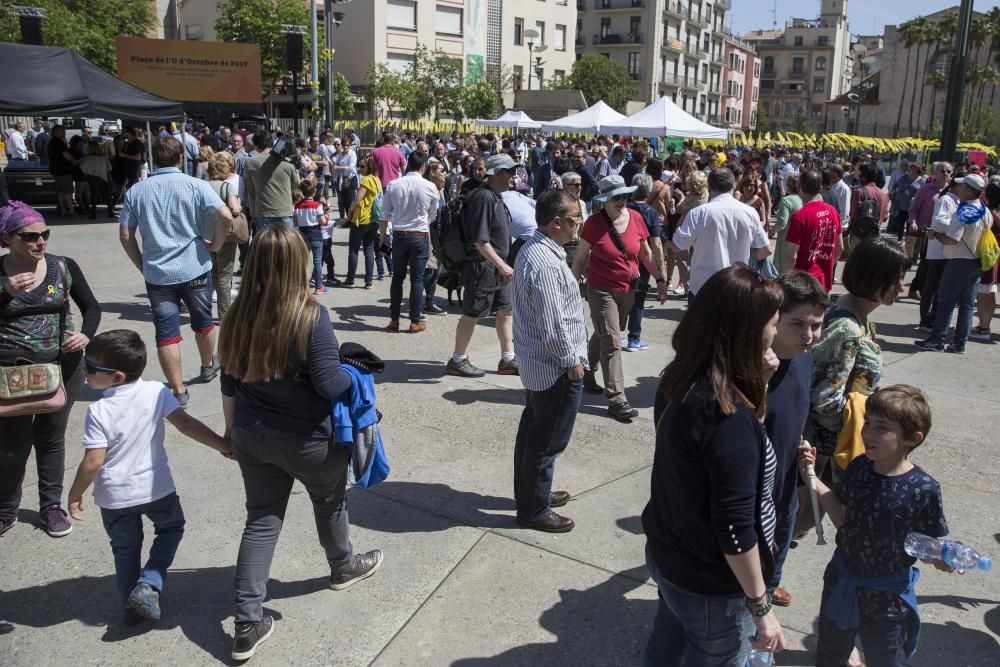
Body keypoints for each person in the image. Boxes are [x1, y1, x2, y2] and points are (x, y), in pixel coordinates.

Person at [220, 224, 382, 661]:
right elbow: (330, 385)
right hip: (307, 439)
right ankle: (343, 566)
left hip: (252, 434)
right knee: (329, 502)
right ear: (299, 265)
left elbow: (229, 382)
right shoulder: (311, 315)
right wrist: (354, 369)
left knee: (261, 520)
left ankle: (247, 622)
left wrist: (229, 434)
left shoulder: (236, 314)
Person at [642, 265, 787, 665]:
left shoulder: (680, 378)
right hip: (710, 581)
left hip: (672, 553)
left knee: (666, 645)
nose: (775, 332)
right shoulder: (728, 419)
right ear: (747, 330)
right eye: (772, 323)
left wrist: (757, 385)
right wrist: (762, 607)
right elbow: (735, 525)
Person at [66, 329, 231, 624]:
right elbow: (186, 424)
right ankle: (149, 583)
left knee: (125, 549)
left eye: (89, 368)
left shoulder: (99, 411)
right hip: (157, 490)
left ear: (116, 377)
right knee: (171, 529)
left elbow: (92, 462)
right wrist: (222, 445)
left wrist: (75, 493)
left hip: (115, 498)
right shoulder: (156, 391)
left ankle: (133, 605)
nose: (84, 372)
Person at [798, 385, 951, 667]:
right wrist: (811, 477)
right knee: (830, 652)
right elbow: (842, 515)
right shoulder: (859, 467)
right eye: (867, 423)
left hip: (886, 597)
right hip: (841, 581)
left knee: (884, 657)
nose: (867, 433)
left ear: (911, 439)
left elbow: (927, 544)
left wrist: (943, 557)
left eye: (881, 428)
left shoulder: (923, 489)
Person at [0, 201, 101, 538]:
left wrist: (86, 335)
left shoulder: (62, 266)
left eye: (44, 234)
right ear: (6, 239)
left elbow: (91, 307)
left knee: (51, 438)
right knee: (13, 445)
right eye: (29, 236)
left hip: (63, 368)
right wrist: (5, 293)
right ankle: (6, 510)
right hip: (10, 373)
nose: (40, 242)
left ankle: (51, 507)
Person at [118, 137, 234, 406]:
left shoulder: (137, 191)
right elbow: (226, 215)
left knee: (166, 331)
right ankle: (208, 365)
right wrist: (215, 245)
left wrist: (141, 263)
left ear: (153, 158)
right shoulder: (195, 185)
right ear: (181, 157)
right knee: (203, 321)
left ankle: (178, 389)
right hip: (194, 266)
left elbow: (126, 234)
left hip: (158, 272)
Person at [511, 190, 587, 534]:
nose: (577, 227)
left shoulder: (538, 250)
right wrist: (571, 361)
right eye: (574, 220)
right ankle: (533, 509)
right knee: (546, 441)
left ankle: (533, 495)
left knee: (534, 434)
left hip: (541, 364)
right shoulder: (543, 262)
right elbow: (553, 324)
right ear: (556, 222)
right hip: (554, 367)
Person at [807, 237, 909, 480]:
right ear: (873, 276)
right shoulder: (846, 329)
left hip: (835, 448)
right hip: (830, 453)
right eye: (895, 279)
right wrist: (868, 430)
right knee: (812, 514)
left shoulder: (855, 315)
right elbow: (825, 401)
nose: (902, 287)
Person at [572, 175, 669, 422]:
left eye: (625, 195)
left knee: (605, 333)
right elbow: (581, 258)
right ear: (604, 200)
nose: (622, 200)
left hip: (629, 290)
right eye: (616, 197)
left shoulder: (636, 218)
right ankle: (617, 400)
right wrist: (571, 285)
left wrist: (659, 279)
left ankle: (586, 370)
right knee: (613, 341)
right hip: (600, 289)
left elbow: (646, 254)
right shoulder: (594, 223)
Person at [765, 271, 829, 608]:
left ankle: (771, 582)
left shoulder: (804, 358)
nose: (809, 335)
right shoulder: (758, 367)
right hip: (757, 489)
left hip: (788, 479)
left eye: (817, 325)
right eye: (798, 324)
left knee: (785, 533)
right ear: (774, 318)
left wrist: (800, 440)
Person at [446, 154, 518, 379]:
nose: (513, 177)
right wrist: (502, 266)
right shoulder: (484, 198)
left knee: (505, 311)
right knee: (472, 313)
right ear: (496, 174)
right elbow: (480, 241)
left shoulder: (495, 196)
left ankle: (508, 359)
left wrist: (501, 266)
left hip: (496, 267)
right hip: (483, 267)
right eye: (509, 172)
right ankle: (458, 360)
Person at [916, 174, 991, 354]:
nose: (958, 188)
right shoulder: (984, 210)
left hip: (958, 262)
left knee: (946, 302)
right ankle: (959, 343)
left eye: (963, 185)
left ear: (969, 190)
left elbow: (952, 240)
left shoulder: (962, 212)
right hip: (977, 262)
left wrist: (935, 235)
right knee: (967, 305)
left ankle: (937, 339)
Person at [672, 168, 772, 299]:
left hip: (704, 288)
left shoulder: (699, 213)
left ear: (709, 186)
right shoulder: (749, 212)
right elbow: (766, 250)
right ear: (734, 184)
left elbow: (677, 246)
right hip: (737, 286)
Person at [380, 150, 438, 332]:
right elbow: (432, 215)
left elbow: (384, 215)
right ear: (423, 166)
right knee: (417, 279)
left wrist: (383, 238)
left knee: (397, 278)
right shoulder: (429, 186)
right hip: (419, 235)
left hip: (399, 234)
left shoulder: (394, 184)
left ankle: (395, 319)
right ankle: (414, 320)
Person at [623, 173, 666, 352]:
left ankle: (616, 332)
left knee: (619, 296)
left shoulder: (622, 208)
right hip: (643, 261)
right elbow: (656, 244)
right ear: (648, 191)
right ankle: (634, 338)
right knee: (638, 299)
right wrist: (661, 271)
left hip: (622, 257)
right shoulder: (650, 212)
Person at [783, 169, 843, 290]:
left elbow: (791, 256)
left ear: (799, 188)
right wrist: (827, 266)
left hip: (802, 284)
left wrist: (786, 281)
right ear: (820, 187)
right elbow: (840, 248)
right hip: (823, 282)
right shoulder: (833, 212)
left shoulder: (799, 217)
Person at [911, 162, 953, 319]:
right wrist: (913, 222)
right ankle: (921, 302)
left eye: (949, 171)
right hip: (926, 236)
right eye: (943, 170)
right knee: (925, 271)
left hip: (944, 241)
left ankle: (931, 312)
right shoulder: (925, 190)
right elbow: (914, 210)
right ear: (936, 172)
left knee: (937, 279)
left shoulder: (951, 192)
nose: (946, 174)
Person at [207, 151, 243, 318]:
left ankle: (207, 309)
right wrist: (239, 207)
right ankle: (225, 314)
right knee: (224, 274)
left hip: (207, 234)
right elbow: (235, 209)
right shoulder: (227, 187)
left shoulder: (202, 186)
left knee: (212, 271)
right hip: (225, 235)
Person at [244, 131, 298, 227]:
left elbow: (250, 189)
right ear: (272, 143)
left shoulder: (251, 163)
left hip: (263, 211)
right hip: (284, 209)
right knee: (286, 241)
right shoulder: (286, 160)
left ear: (255, 145)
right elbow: (296, 182)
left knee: (266, 242)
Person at [343, 155, 382, 289]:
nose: (360, 169)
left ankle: (350, 279)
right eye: (359, 166)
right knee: (369, 249)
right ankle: (368, 281)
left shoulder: (367, 180)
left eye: (362, 166)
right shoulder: (377, 180)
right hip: (374, 219)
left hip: (362, 218)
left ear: (370, 166)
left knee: (353, 249)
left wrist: (350, 211)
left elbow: (358, 199)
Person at [971, 182, 1000, 341]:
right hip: (995, 257)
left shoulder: (988, 213)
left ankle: (984, 329)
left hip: (988, 257)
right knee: (990, 295)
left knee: (983, 295)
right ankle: (984, 326)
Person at [294, 179, 330, 295]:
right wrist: (327, 217)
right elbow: (323, 221)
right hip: (315, 235)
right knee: (318, 261)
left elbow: (295, 222)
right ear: (314, 192)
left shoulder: (297, 206)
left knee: (303, 261)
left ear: (302, 192)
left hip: (303, 235)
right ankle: (319, 287)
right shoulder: (317, 205)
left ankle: (300, 285)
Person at [77, 140, 115, 219]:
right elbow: (109, 168)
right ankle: (110, 212)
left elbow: (82, 168)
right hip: (103, 178)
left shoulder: (87, 158)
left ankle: (93, 213)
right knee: (106, 195)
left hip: (92, 178)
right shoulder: (103, 157)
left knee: (94, 195)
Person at [773, 173, 803, 272]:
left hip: (786, 240)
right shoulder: (804, 200)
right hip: (800, 240)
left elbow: (782, 223)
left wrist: (771, 231)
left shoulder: (786, 200)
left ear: (788, 185)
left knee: (782, 271)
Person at [47, 125, 77, 217]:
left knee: (60, 192)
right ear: (56, 132)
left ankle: (63, 210)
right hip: (63, 171)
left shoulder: (52, 142)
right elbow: (66, 155)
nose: (64, 133)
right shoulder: (58, 142)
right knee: (68, 192)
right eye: (62, 131)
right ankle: (71, 211)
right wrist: (74, 161)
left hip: (56, 171)